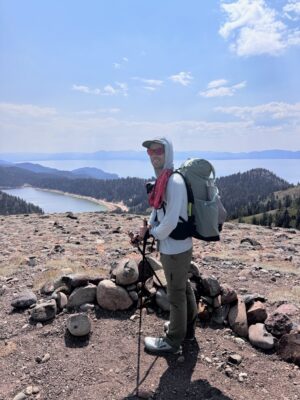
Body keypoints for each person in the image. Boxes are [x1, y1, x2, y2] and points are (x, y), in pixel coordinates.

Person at [140, 137, 198, 354]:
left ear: (169, 152)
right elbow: (159, 210)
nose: (154, 155)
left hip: (174, 249)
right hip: (177, 246)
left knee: (175, 296)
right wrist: (149, 228)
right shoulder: (166, 179)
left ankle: (173, 341)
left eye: (159, 150)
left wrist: (152, 233)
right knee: (182, 289)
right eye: (150, 152)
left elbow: (171, 221)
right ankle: (187, 329)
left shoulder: (173, 182)